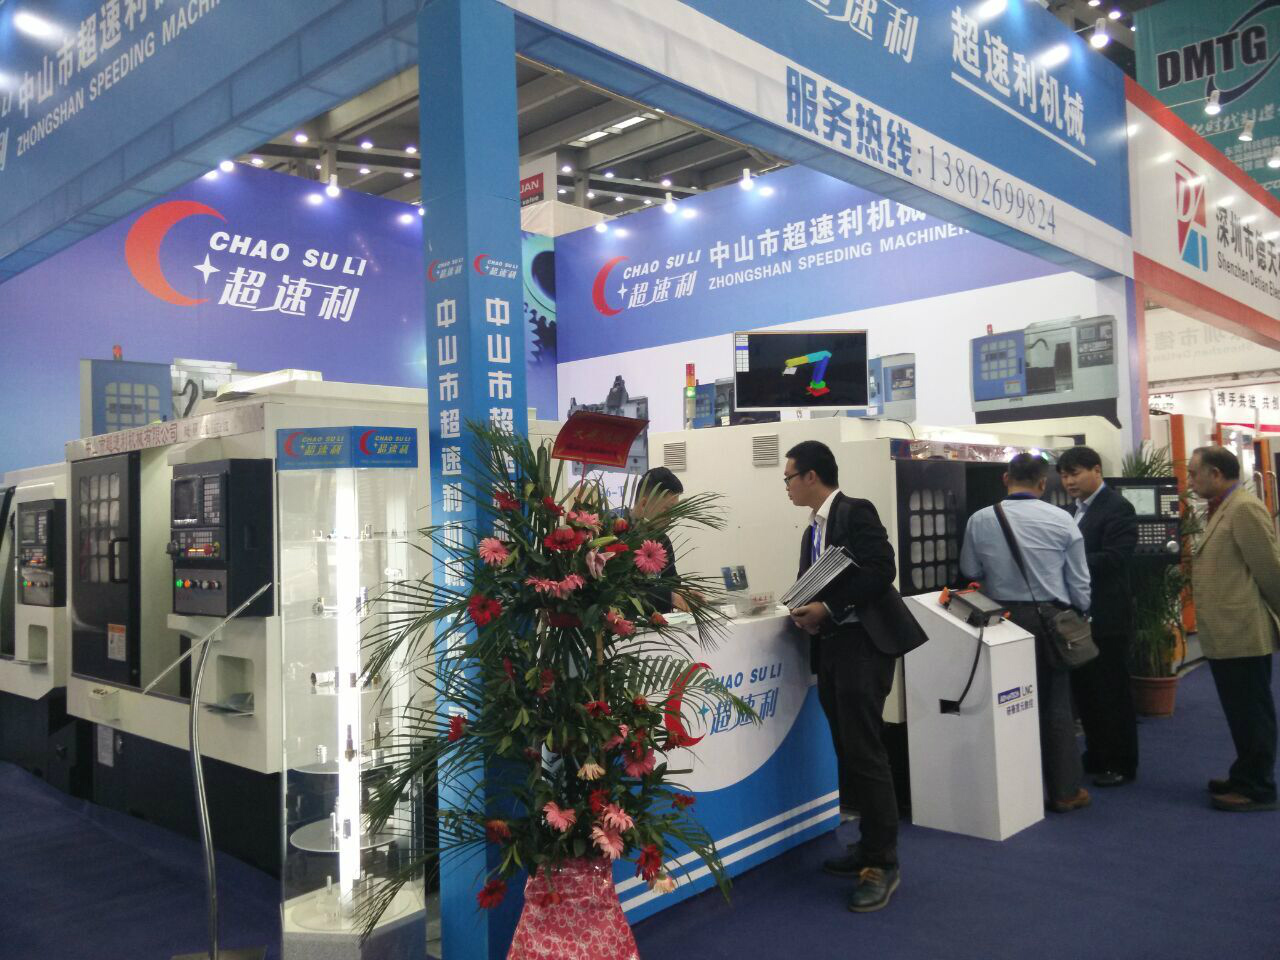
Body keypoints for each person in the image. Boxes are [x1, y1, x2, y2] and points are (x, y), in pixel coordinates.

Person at [784, 440, 927, 913]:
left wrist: (829, 607)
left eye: (789, 478)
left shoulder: (854, 511)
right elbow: (815, 583)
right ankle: (868, 846)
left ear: (811, 476)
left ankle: (883, 863)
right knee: (848, 748)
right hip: (833, 648)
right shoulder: (812, 531)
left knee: (866, 750)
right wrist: (803, 612)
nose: (786, 487)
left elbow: (882, 570)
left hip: (865, 646)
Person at [960, 452, 1092, 814]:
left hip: (999, 620)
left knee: (1005, 703)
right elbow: (1080, 581)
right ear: (1043, 483)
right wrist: (1080, 613)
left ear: (1006, 479)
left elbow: (970, 569)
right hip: (1050, 620)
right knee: (1055, 707)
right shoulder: (1062, 519)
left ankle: (1013, 792)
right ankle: (1065, 792)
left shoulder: (980, 519)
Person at [1187, 445, 1280, 813]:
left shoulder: (1243, 508)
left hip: (1243, 630)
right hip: (1227, 631)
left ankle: (1258, 787)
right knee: (1240, 712)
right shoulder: (1223, 507)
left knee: (1252, 713)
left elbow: (1270, 570)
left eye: (1194, 473)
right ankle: (1244, 775)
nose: (1190, 481)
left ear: (1216, 473)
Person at [1057, 446, 1139, 787]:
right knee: (1088, 691)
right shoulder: (1073, 511)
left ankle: (1120, 762)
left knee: (1112, 692)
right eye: (1064, 476)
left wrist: (1068, 561)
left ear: (1096, 470)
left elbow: (1117, 557)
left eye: (1075, 473)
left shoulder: (1117, 507)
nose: (1069, 482)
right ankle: (1097, 754)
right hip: (1081, 617)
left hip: (1109, 616)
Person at [632, 467, 683, 614]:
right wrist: (669, 597)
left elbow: (671, 581)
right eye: (667, 510)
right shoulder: (618, 537)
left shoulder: (662, 540)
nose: (671, 517)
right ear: (643, 505)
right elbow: (624, 594)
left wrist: (685, 595)